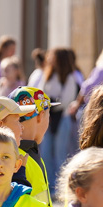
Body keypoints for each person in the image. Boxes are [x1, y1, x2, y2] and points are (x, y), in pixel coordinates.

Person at [31, 47, 80, 185]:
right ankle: (49, 185)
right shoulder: (47, 75)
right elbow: (39, 95)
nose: (49, 59)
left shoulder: (69, 77)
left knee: (60, 154)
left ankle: (60, 186)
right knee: (45, 153)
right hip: (47, 118)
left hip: (62, 119)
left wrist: (50, 104)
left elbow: (65, 101)